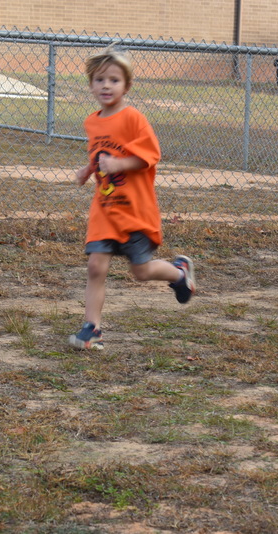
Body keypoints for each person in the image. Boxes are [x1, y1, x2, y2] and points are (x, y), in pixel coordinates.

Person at [68, 48, 195, 350]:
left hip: (134, 210)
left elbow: (150, 155)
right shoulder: (92, 122)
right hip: (105, 209)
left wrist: (120, 164)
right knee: (96, 267)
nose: (106, 86)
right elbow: (100, 154)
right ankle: (91, 329)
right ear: (91, 85)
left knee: (141, 272)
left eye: (114, 80)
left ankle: (179, 273)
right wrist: (88, 169)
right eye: (100, 80)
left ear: (127, 86)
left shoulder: (133, 118)